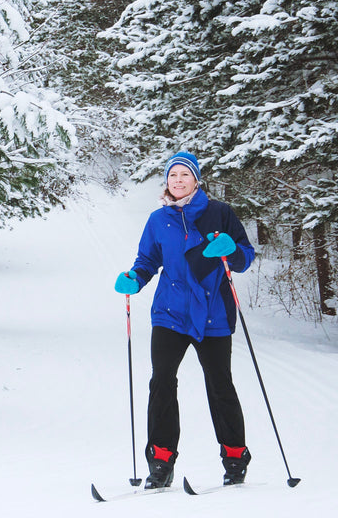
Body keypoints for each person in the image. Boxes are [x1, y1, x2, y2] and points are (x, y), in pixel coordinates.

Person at [114, 151, 256, 489]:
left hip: (213, 313)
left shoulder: (219, 213)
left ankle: (235, 458)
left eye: (184, 175)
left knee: (220, 384)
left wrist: (229, 249)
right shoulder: (158, 219)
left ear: (196, 179)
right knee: (161, 382)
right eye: (173, 175)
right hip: (170, 313)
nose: (178, 181)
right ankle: (160, 463)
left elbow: (244, 257)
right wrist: (135, 277)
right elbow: (148, 260)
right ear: (167, 181)